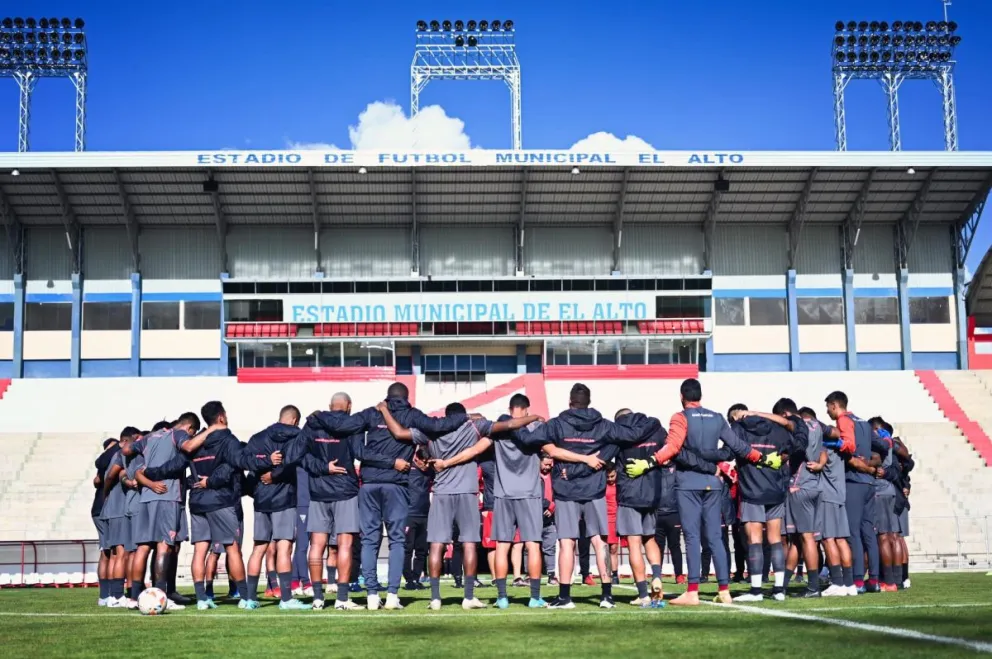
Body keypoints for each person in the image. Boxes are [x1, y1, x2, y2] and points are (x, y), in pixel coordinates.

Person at [378, 400, 540, 610]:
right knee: (469, 544)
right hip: (467, 492)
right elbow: (508, 425)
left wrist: (383, 410)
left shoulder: (431, 431)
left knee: (436, 544)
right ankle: (469, 596)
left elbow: (399, 433)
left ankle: (435, 598)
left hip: (441, 492)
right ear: (463, 415)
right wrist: (534, 417)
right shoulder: (472, 426)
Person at [626, 378, 768, 606]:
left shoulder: (680, 417)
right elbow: (738, 446)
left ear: (682, 396)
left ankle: (692, 591)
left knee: (692, 537)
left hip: (687, 484)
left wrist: (649, 462)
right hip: (713, 484)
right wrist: (761, 458)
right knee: (715, 537)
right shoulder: (717, 417)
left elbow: (672, 448)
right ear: (700, 396)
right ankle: (724, 590)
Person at [531, 383, 659, 610]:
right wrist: (654, 422)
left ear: (570, 402)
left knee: (567, 543)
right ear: (589, 402)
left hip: (566, 490)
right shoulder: (603, 426)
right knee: (599, 541)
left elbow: (529, 437)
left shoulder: (557, 425)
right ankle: (606, 596)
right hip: (595, 490)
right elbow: (633, 434)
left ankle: (565, 597)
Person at [292, 392, 398, 611]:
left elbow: (297, 455)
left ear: (330, 405)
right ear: (349, 406)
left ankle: (318, 599)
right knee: (345, 545)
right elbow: (362, 453)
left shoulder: (312, 423)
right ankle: (341, 598)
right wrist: (391, 461)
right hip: (346, 491)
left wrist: (322, 468)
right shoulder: (352, 425)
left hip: (318, 492)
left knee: (317, 545)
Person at [126, 413, 202, 609]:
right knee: (164, 546)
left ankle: (134, 597)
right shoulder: (177, 435)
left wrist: (149, 483)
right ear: (189, 428)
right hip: (167, 496)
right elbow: (188, 447)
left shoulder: (148, 439)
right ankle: (161, 598)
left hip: (145, 499)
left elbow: (128, 452)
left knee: (142, 548)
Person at [726, 404, 798, 603]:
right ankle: (778, 590)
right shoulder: (777, 428)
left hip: (752, 490)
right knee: (775, 539)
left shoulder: (738, 428)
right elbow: (794, 447)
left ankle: (756, 591)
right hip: (775, 489)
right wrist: (780, 458)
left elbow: (729, 452)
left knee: (755, 540)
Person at [244, 405, 309, 610]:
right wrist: (275, 473)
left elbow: (245, 461)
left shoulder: (257, 438)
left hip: (261, 499)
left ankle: (250, 599)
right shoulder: (297, 436)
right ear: (295, 421)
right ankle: (287, 600)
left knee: (259, 548)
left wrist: (264, 464)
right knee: (284, 547)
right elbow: (294, 461)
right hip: (284, 499)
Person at [824, 391, 881, 595]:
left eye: (828, 408)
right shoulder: (865, 423)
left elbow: (848, 447)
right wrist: (872, 465)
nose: (827, 412)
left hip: (854, 481)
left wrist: (830, 444)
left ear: (834, 405)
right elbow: (881, 447)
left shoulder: (844, 420)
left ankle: (857, 580)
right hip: (869, 483)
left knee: (852, 533)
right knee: (869, 533)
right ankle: (873, 579)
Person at [613, 409, 666, 607]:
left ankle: (643, 594)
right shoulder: (655, 428)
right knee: (650, 539)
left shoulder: (618, 432)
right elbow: (667, 452)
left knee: (634, 544)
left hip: (629, 494)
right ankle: (657, 576)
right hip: (652, 493)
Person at [799, 407, 855, 597]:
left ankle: (838, 582)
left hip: (827, 495)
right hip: (840, 494)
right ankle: (849, 583)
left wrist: (820, 464)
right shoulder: (838, 443)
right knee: (841, 539)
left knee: (827, 538)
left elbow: (821, 454)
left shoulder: (822, 443)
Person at [774, 398, 823, 598]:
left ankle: (813, 587)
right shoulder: (818, 425)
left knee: (806, 537)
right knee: (797, 539)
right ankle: (782, 585)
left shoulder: (795, 426)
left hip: (799, 486)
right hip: (814, 485)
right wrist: (820, 463)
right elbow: (833, 439)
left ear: (785, 414)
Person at [99, 431, 138, 607]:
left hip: (110, 511)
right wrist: (106, 493)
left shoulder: (116, 455)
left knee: (112, 554)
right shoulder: (121, 455)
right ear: (125, 441)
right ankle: (116, 596)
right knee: (121, 554)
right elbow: (110, 476)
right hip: (117, 510)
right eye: (136, 440)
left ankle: (107, 596)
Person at [92, 435, 122, 606]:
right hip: (106, 509)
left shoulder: (102, 469)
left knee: (106, 552)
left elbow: (97, 481)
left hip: (98, 509)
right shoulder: (112, 459)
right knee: (113, 552)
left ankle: (104, 596)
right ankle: (111, 595)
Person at [403, 454, 433, 591]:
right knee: (407, 549)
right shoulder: (408, 468)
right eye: (423, 462)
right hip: (409, 514)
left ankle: (416, 578)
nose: (425, 465)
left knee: (422, 550)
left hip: (425, 515)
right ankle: (408, 580)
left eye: (428, 463)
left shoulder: (430, 471)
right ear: (417, 459)